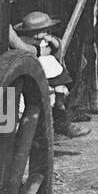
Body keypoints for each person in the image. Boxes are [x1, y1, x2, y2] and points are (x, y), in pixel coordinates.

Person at [14, 11, 89, 139]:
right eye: (43, 31)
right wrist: (44, 50)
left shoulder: (45, 40)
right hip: (30, 74)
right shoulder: (23, 42)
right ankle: (57, 121)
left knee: (56, 83)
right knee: (49, 62)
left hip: (44, 78)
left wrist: (52, 41)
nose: (46, 33)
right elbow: (31, 53)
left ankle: (60, 112)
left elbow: (57, 46)